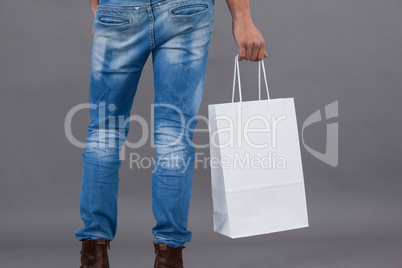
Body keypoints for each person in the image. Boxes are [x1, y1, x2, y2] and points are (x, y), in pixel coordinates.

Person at [76, 0, 267, 267]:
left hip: (119, 9)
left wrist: (102, 8)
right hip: (186, 9)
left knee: (104, 134)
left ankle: (93, 259)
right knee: (174, 136)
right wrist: (242, 17)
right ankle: (169, 260)